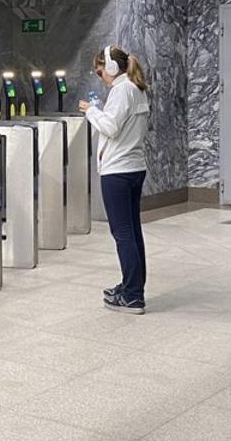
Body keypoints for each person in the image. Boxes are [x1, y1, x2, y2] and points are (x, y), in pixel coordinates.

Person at [79, 46, 150, 315]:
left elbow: (110, 127)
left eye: (100, 71)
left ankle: (132, 296)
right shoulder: (136, 89)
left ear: (110, 67)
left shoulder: (122, 91)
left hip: (117, 171)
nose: (100, 76)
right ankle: (132, 286)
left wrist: (91, 111)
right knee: (132, 232)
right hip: (134, 168)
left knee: (122, 234)